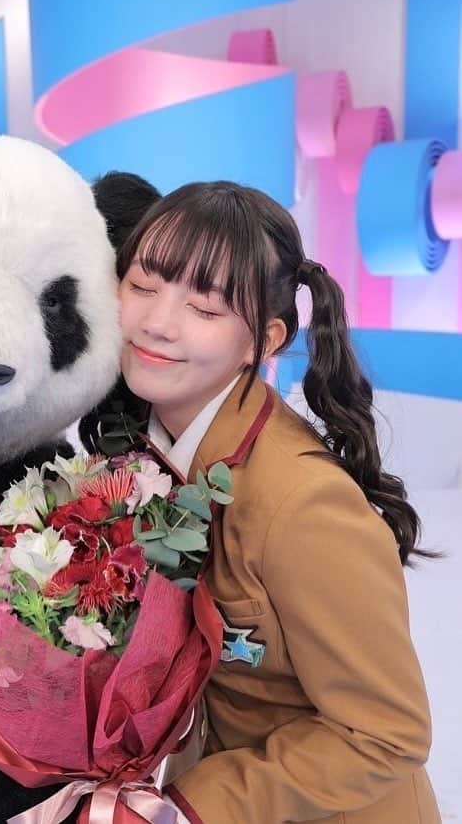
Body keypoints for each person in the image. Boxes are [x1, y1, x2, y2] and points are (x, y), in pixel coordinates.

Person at [82, 180, 441, 823]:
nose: (158, 322)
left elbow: (387, 734)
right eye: (143, 286)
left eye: (205, 309)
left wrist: (190, 807)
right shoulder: (139, 452)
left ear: (263, 341)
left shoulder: (304, 505)